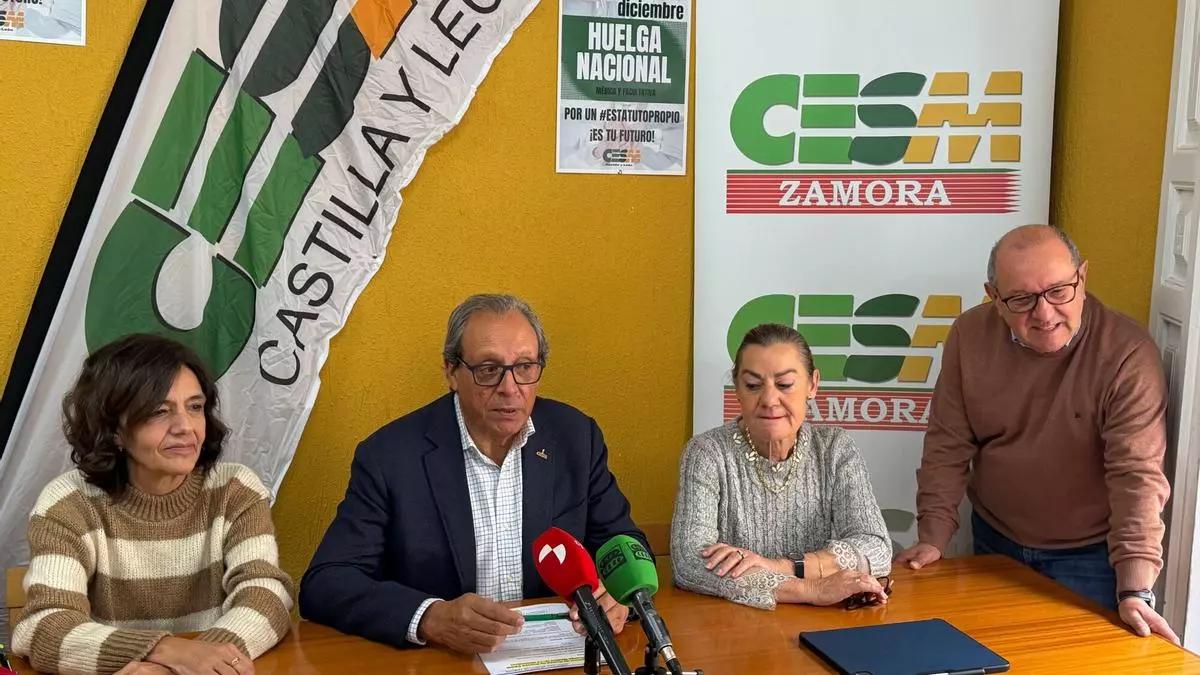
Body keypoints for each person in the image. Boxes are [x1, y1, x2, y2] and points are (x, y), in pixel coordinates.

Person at [299, 294, 650, 654]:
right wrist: (429, 617)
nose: (510, 388)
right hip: (444, 661)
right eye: (488, 370)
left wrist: (618, 596)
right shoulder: (390, 456)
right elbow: (327, 583)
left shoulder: (575, 437)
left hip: (558, 655)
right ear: (451, 371)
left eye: (525, 367)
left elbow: (626, 545)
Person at [896, 224, 1177, 643]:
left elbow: (1136, 477)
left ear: (1082, 278)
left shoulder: (1128, 354)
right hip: (994, 538)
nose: (1044, 314)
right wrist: (934, 537)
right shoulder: (968, 336)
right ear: (994, 297)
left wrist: (1135, 588)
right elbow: (947, 442)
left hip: (1091, 556)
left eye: (1058, 291)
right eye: (1022, 299)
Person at [11, 334, 294, 675]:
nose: (185, 427)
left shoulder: (235, 489)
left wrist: (189, 664)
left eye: (195, 407)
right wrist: (166, 650)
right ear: (114, 430)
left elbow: (266, 596)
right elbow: (44, 628)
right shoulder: (67, 503)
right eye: (159, 411)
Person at [671, 323, 892, 609]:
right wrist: (809, 588)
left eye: (785, 384)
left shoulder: (834, 448)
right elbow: (689, 561)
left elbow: (877, 546)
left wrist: (782, 567)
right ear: (737, 389)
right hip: (734, 623)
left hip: (822, 622)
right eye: (753, 386)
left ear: (813, 384)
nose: (769, 400)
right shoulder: (707, 453)